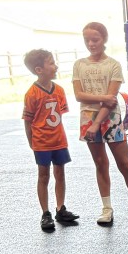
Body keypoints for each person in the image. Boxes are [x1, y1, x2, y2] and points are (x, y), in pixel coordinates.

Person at [73, 22, 128, 226]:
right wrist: (101, 99)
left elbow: (111, 101)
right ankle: (106, 208)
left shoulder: (113, 65)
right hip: (87, 119)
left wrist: (97, 119)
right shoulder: (79, 65)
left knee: (125, 164)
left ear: (104, 39)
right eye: (87, 40)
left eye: (95, 39)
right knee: (100, 163)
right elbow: (78, 95)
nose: (91, 44)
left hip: (110, 119)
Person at [22, 49, 79, 232]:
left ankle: (60, 208)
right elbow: (28, 120)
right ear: (39, 69)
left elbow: (58, 115)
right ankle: (45, 212)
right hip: (41, 142)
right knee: (44, 176)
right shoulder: (32, 93)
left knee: (60, 173)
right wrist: (32, 141)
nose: (55, 66)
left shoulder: (59, 90)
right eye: (51, 63)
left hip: (59, 141)